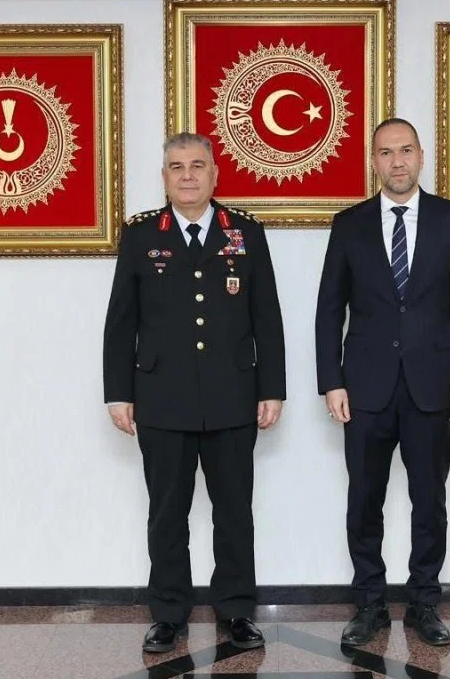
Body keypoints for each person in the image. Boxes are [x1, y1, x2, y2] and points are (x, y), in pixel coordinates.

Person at [102, 132, 286, 654]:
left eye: (198, 165)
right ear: (164, 176)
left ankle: (237, 611)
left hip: (233, 394)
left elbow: (266, 316)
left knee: (234, 511)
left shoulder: (244, 232)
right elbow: (121, 320)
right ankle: (167, 614)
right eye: (177, 166)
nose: (187, 175)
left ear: (214, 174)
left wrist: (272, 388)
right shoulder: (142, 235)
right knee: (167, 513)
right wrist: (118, 393)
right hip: (162, 396)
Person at [314, 117, 450, 647]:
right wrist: (331, 381)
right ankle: (369, 604)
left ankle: (424, 604)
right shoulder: (349, 225)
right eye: (386, 152)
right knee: (363, 500)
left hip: (434, 385)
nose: (397, 161)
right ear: (373, 161)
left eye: (406, 150)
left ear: (421, 157)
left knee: (429, 501)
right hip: (364, 388)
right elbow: (329, 310)